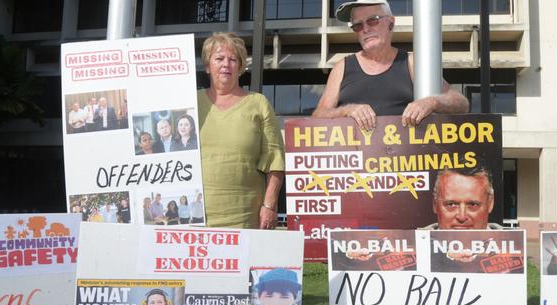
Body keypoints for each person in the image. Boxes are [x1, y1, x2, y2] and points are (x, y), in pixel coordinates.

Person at [312, 0, 469, 131]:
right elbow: (318, 116)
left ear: (391, 23)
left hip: (405, 162)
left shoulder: (411, 62)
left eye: (373, 20)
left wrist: (432, 102)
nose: (365, 29)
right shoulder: (342, 67)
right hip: (356, 163)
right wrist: (347, 110)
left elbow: (461, 103)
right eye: (358, 26)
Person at [198, 32, 284, 229]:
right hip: (194, 218)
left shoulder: (259, 103)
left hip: (245, 217)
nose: (226, 64)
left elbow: (275, 160)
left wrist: (269, 205)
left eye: (233, 59)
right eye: (219, 58)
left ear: (241, 66)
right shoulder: (189, 103)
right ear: (207, 66)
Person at [429, 168, 500, 231]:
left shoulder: (509, 244)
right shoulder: (418, 244)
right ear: (435, 204)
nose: (462, 217)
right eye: (451, 204)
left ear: (490, 203)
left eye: (473, 204)